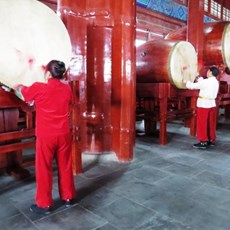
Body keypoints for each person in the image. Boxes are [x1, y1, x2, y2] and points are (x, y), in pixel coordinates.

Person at [15, 60, 76, 214]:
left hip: (46, 135)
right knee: (65, 165)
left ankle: (44, 204)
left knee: (44, 168)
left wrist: (17, 86)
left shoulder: (39, 87)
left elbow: (24, 93)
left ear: (48, 73)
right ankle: (68, 197)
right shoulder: (67, 88)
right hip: (64, 133)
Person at [185, 66, 220, 150]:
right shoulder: (215, 81)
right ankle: (211, 139)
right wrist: (197, 75)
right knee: (210, 123)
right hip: (212, 104)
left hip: (204, 104)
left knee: (202, 123)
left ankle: (203, 141)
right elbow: (202, 82)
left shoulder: (207, 82)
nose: (207, 73)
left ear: (211, 72)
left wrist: (186, 81)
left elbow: (192, 86)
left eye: (208, 71)